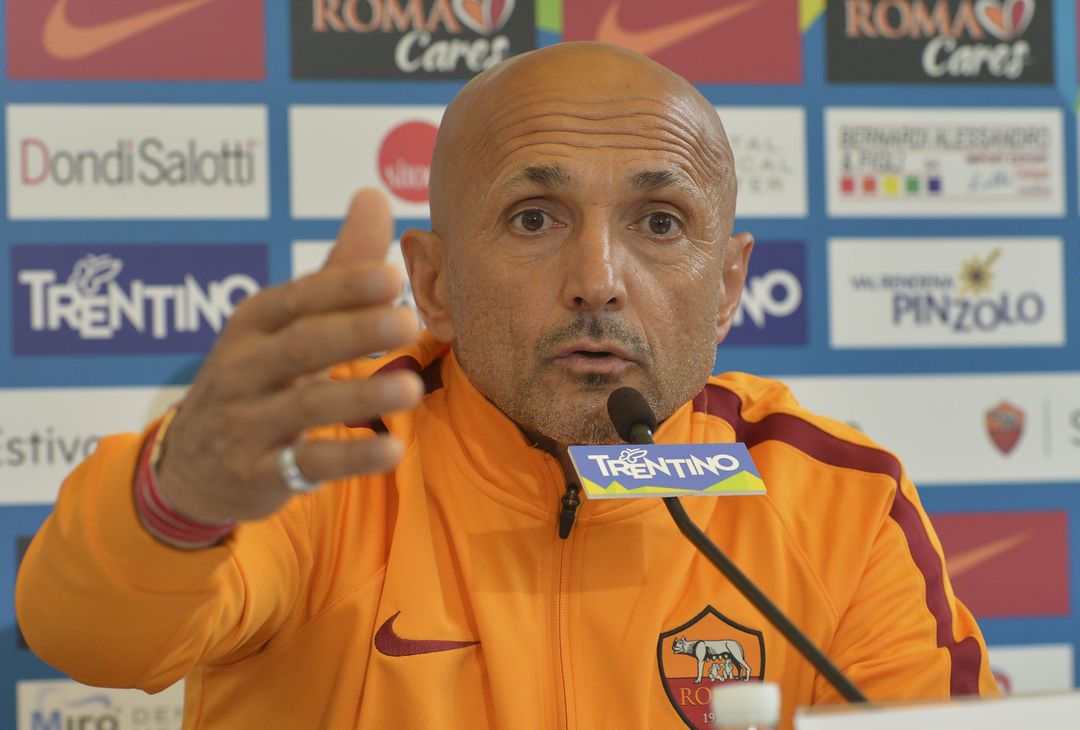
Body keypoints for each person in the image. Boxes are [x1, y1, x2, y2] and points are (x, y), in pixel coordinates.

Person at [15, 42, 999, 729]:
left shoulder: (836, 497)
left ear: (730, 284)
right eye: (535, 217)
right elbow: (91, 638)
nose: (599, 278)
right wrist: (182, 496)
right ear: (435, 283)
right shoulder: (331, 453)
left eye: (660, 222)